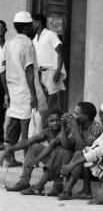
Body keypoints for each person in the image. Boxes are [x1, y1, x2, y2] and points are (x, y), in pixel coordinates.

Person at [0, 11, 45, 167]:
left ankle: (9, 159)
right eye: (31, 25)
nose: (33, 27)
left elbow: (3, 71)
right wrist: (33, 95)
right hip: (25, 91)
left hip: (13, 91)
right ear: (26, 27)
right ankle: (28, 162)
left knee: (13, 125)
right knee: (29, 127)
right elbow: (29, 72)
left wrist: (7, 92)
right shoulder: (27, 44)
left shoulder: (9, 44)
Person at [0, 108, 73, 196]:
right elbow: (27, 141)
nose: (55, 123)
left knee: (59, 152)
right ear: (47, 122)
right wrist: (7, 150)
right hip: (55, 162)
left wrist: (37, 159)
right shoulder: (48, 132)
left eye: (57, 120)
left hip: (68, 162)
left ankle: (57, 185)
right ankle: (24, 181)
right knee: (34, 147)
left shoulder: (66, 130)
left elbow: (53, 144)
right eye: (52, 121)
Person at [55, 101, 103, 199]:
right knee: (63, 152)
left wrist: (74, 127)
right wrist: (63, 126)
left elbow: (85, 149)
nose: (73, 116)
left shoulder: (97, 128)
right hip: (78, 166)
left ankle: (67, 190)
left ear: (85, 117)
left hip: (95, 168)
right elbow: (66, 145)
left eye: (76, 114)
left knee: (79, 153)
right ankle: (59, 185)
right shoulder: (79, 126)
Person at [32, 13, 66, 110]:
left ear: (39, 22)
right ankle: (48, 121)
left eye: (34, 22)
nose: (32, 24)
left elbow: (60, 52)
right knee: (44, 100)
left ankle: (54, 120)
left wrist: (58, 70)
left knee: (53, 98)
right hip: (41, 73)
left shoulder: (50, 34)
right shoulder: (35, 39)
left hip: (52, 71)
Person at [0, 20, 8, 150]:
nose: (0, 30)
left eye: (2, 28)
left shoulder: (8, 46)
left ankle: (1, 140)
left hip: (7, 79)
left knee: (2, 111)